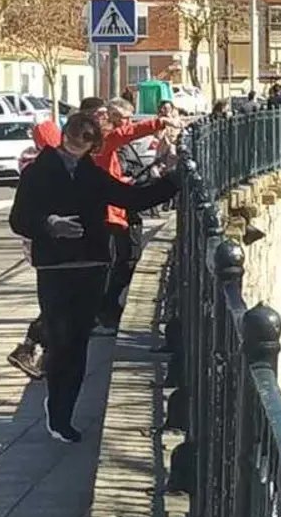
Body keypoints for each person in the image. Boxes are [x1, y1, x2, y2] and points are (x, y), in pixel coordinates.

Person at [10, 113, 177, 443]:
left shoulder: (92, 175)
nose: (75, 146)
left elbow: (132, 199)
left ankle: (64, 412)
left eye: (83, 142)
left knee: (79, 343)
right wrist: (49, 225)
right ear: (63, 135)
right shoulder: (39, 172)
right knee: (61, 341)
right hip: (55, 269)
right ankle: (57, 414)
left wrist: (173, 180)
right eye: (71, 138)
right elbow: (19, 219)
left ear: (92, 145)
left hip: (91, 266)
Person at [94, 99, 179, 333]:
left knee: (122, 260)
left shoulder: (103, 141)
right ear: (111, 117)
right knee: (118, 262)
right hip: (109, 211)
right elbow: (128, 133)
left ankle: (106, 308)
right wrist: (159, 122)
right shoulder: (105, 138)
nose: (128, 123)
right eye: (124, 118)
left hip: (115, 206)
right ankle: (105, 309)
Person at [6, 116, 64, 380]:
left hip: (47, 249)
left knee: (58, 304)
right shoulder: (42, 168)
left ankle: (43, 356)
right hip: (51, 249)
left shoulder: (35, 164)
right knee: (58, 305)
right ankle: (31, 349)